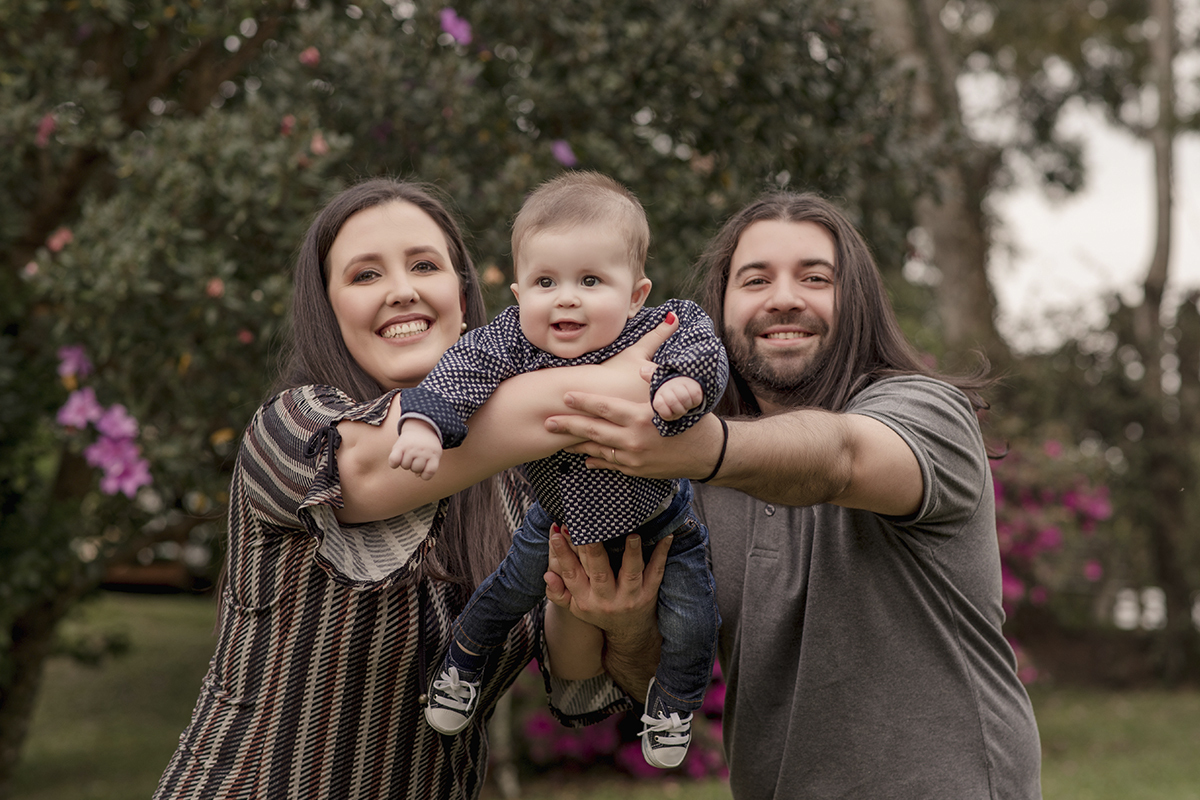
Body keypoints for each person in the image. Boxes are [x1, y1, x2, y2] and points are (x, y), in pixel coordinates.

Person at [153, 178, 673, 800]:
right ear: (329, 306)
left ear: (461, 293)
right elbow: (375, 470)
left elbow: (575, 668)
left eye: (424, 265)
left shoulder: (528, 477)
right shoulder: (292, 429)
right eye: (365, 275)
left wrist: (613, 614)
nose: (402, 291)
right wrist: (614, 372)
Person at [542, 191, 1044, 799]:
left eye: (814, 277)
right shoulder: (687, 482)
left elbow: (843, 457)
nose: (784, 297)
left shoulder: (925, 411)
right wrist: (624, 629)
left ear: (854, 302)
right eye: (755, 280)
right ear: (718, 309)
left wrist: (703, 449)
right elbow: (652, 675)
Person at [390, 172, 728, 769]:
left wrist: (685, 385)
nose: (565, 297)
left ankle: (674, 705)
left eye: (590, 280)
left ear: (635, 294)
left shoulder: (660, 328)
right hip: (559, 520)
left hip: (663, 521)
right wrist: (423, 423)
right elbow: (458, 371)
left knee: (694, 618)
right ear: (519, 292)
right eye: (546, 282)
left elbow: (702, 346)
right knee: (505, 593)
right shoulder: (512, 343)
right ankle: (462, 662)